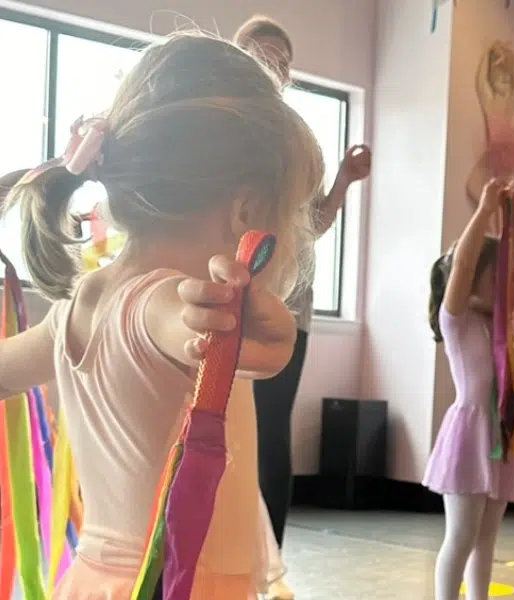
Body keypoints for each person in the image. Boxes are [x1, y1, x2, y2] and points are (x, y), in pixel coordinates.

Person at [0, 33, 324, 598]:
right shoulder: (164, 303)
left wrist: (231, 331)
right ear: (245, 209)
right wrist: (228, 326)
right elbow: (177, 319)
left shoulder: (78, 305)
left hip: (94, 581)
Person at [233, 14, 372, 600]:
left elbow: (311, 224)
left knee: (269, 434)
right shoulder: (223, 127)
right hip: (225, 295)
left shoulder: (299, 139)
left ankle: (272, 568)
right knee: (216, 431)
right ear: (238, 59)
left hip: (287, 307)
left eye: (282, 63)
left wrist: (342, 180)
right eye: (263, 58)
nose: (274, 71)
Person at [424, 179, 514, 600]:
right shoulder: (458, 322)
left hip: (502, 435)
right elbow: (465, 264)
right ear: (472, 281)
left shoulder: (503, 325)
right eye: (497, 276)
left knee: (486, 539)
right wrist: (485, 208)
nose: (506, 283)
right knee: (462, 535)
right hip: (469, 436)